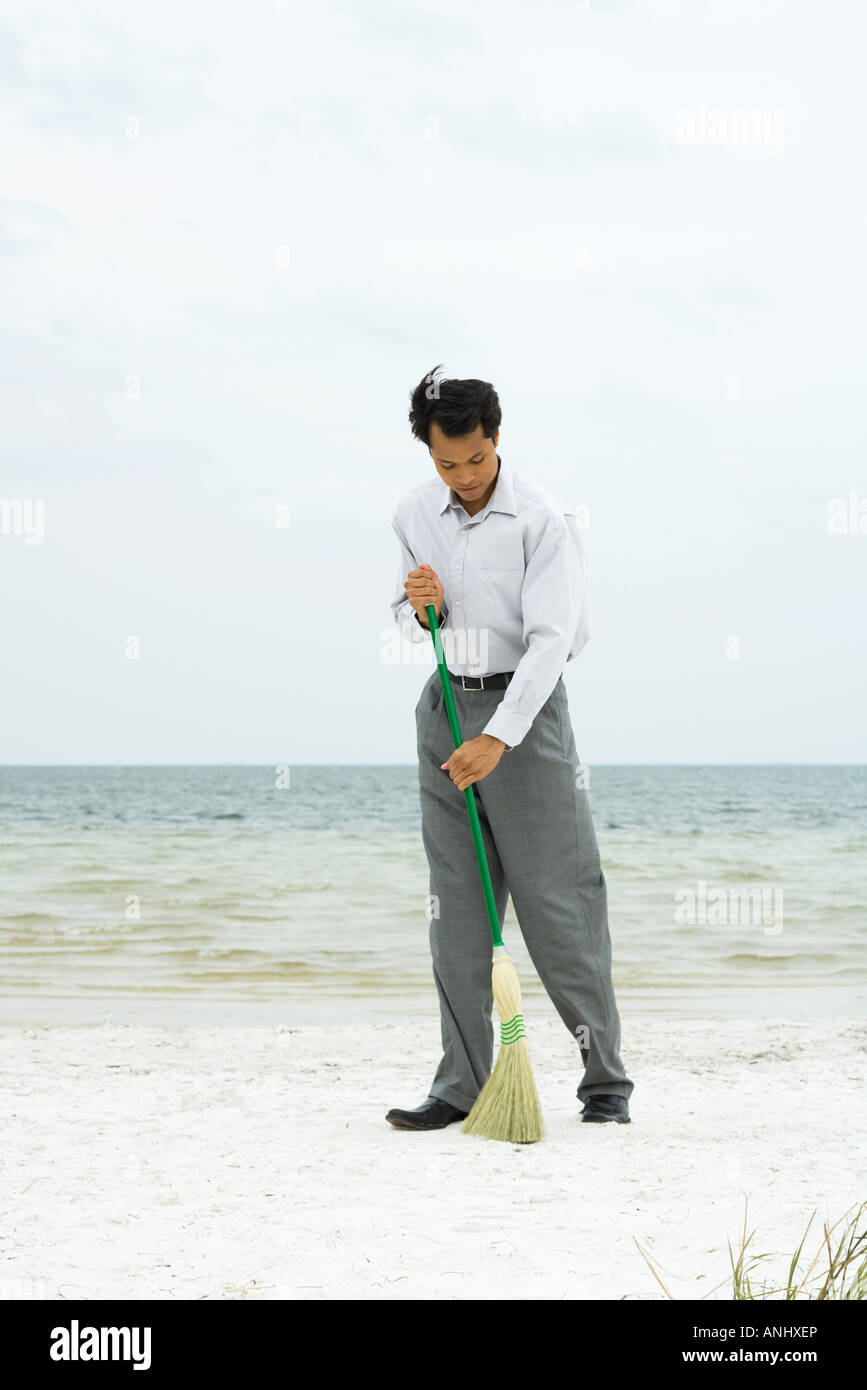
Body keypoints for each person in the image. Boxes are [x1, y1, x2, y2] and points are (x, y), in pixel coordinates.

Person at [386, 364, 634, 1130]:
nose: (460, 477)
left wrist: (497, 738)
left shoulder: (541, 520)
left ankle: (604, 1084)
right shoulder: (413, 513)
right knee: (456, 913)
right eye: (444, 463)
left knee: (558, 903)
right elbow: (403, 617)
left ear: (496, 437)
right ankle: (460, 1086)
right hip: (443, 713)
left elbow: (553, 641)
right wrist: (417, 609)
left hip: (521, 718)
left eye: (473, 460)